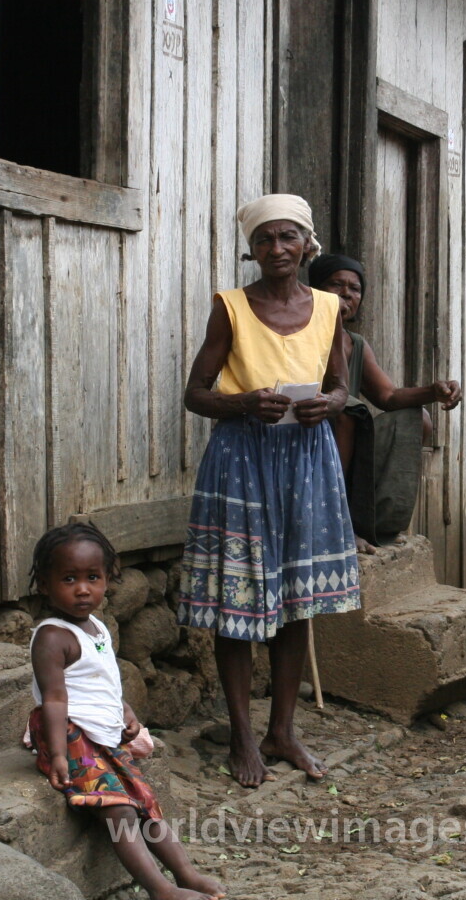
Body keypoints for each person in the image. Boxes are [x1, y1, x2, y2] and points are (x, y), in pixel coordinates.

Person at [177, 194, 361, 788]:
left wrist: (329, 404)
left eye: (287, 237)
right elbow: (195, 393)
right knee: (237, 600)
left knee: (297, 599)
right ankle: (242, 736)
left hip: (307, 458)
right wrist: (243, 404)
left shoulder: (329, 307)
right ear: (252, 249)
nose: (276, 249)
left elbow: (341, 385)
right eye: (264, 239)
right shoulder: (230, 308)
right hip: (242, 460)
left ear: (307, 244)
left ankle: (282, 731)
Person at [27, 522, 223, 900]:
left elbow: (103, 682)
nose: (82, 589)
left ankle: (186, 874)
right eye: (69, 579)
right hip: (70, 734)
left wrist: (125, 712)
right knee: (118, 810)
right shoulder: (53, 637)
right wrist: (57, 756)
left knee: (145, 801)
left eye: (92, 577)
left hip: (101, 734)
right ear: (44, 585)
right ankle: (160, 889)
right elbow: (54, 699)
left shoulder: (97, 628)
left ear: (107, 579)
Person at [308, 253, 463, 552]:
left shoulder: (355, 343)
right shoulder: (299, 333)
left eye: (355, 289)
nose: (346, 294)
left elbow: (388, 397)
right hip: (306, 439)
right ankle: (335, 521)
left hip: (349, 449)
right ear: (313, 291)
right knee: (347, 411)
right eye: (336, 285)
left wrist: (434, 391)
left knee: (416, 419)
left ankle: (377, 522)